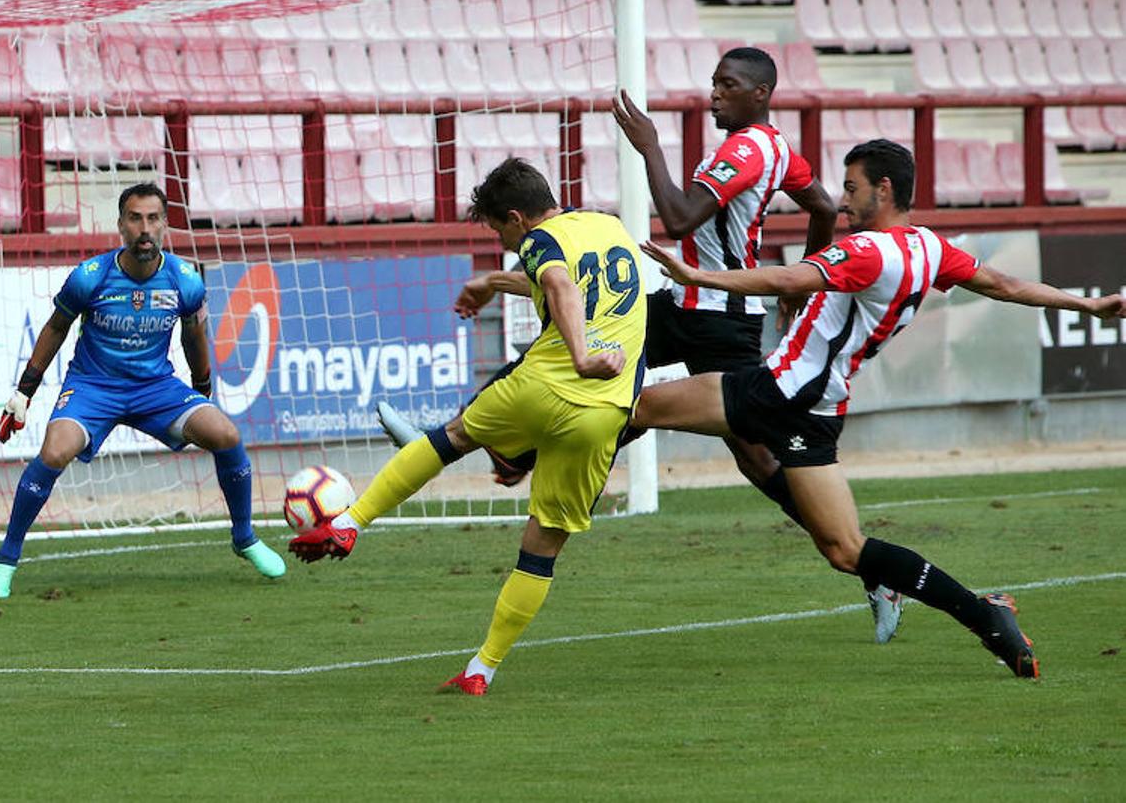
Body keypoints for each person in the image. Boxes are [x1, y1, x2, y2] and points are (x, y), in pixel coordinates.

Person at [378, 47, 908, 643]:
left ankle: (869, 569)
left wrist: (651, 145)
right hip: (693, 308)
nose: (713, 94)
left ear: (759, 94)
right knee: (581, 348)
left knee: (757, 458)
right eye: (713, 82)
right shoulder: (779, 146)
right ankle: (468, 439)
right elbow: (817, 205)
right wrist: (807, 273)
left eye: (727, 85)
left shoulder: (747, 149)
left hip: (716, 316)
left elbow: (680, 219)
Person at [634, 138, 1126, 679]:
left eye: (852, 189)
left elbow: (788, 278)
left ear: (883, 190)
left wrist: (699, 277)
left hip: (778, 390)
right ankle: (985, 616)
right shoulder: (929, 249)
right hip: (819, 408)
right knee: (846, 550)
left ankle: (529, 470)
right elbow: (1004, 284)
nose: (843, 202)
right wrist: (1086, 304)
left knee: (632, 408)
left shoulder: (868, 251)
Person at [290, 157, 647, 696]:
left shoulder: (538, 240)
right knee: (541, 548)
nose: (505, 241)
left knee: (452, 437)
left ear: (517, 218)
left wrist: (580, 355)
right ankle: (482, 668)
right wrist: (493, 283)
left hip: (547, 384)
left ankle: (352, 522)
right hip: (603, 415)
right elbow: (569, 283)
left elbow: (557, 283)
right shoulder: (608, 226)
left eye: (501, 231)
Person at [0, 183, 285, 598]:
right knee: (54, 451)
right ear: (121, 225)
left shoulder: (184, 279)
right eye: (136, 218)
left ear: (165, 224)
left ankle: (244, 537)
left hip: (155, 387)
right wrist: (24, 393)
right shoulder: (91, 277)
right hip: (93, 386)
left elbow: (193, 336)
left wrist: (202, 392)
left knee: (226, 434)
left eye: (153, 218)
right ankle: (6, 558)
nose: (145, 228)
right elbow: (55, 329)